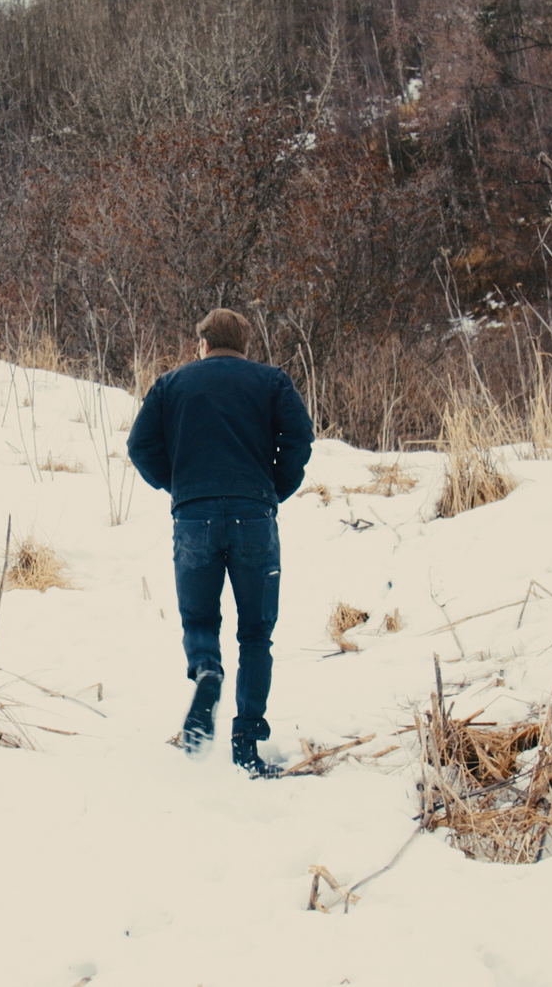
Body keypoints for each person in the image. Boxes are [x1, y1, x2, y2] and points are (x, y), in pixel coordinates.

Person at [127, 308, 314, 776]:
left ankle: (207, 669)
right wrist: (273, 488)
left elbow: (140, 444)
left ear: (204, 343)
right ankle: (247, 744)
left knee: (199, 617)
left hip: (195, 518)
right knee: (255, 632)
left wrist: (181, 486)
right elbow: (300, 438)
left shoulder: (171, 384)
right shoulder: (271, 382)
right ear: (244, 346)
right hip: (253, 515)